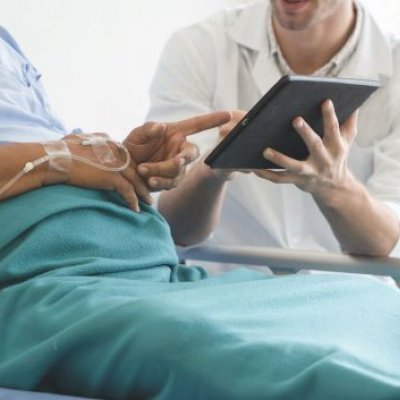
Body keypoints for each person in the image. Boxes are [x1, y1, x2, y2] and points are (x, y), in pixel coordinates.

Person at [1, 20, 400, 400]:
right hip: (48, 276)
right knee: (232, 347)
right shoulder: (201, 44)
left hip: (148, 264)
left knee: (359, 297)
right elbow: (54, 160)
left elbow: (45, 154)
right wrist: (61, 157)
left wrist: (124, 162)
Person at [146, 0, 400, 264]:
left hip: (347, 290)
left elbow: (385, 242)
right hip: (226, 289)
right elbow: (175, 229)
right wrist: (211, 170)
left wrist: (335, 186)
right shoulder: (197, 47)